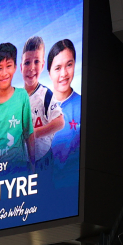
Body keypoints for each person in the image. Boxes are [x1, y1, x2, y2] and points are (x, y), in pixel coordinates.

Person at [21, 36, 65, 170]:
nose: (31, 68)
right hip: (24, 162)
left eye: (36, 62)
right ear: (21, 66)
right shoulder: (16, 98)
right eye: (27, 62)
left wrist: (36, 133)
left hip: (44, 160)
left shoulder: (45, 94)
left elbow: (60, 122)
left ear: (42, 64)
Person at [0, 42, 33, 173]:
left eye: (8, 66)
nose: (4, 73)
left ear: (15, 68)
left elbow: (28, 133)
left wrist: (33, 164)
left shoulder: (22, 96)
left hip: (19, 168)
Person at [47, 38, 81, 168]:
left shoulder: (83, 107)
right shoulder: (36, 110)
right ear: (49, 73)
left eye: (69, 65)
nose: (64, 74)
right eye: (57, 68)